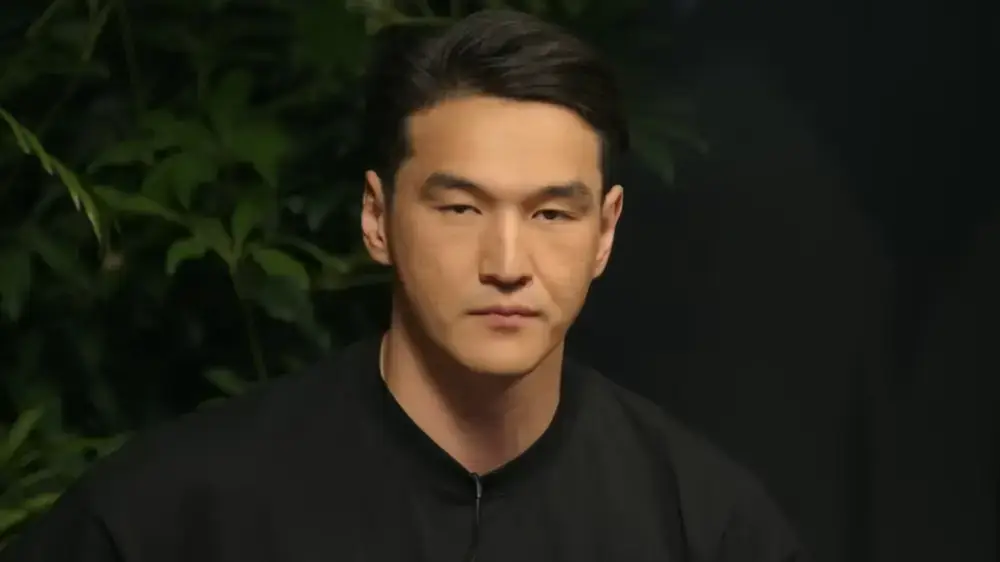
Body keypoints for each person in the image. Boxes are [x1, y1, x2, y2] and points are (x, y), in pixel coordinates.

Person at [1, 9, 808, 562]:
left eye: (551, 214)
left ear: (605, 232)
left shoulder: (705, 527)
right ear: (377, 217)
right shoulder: (174, 517)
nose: (506, 262)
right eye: (460, 208)